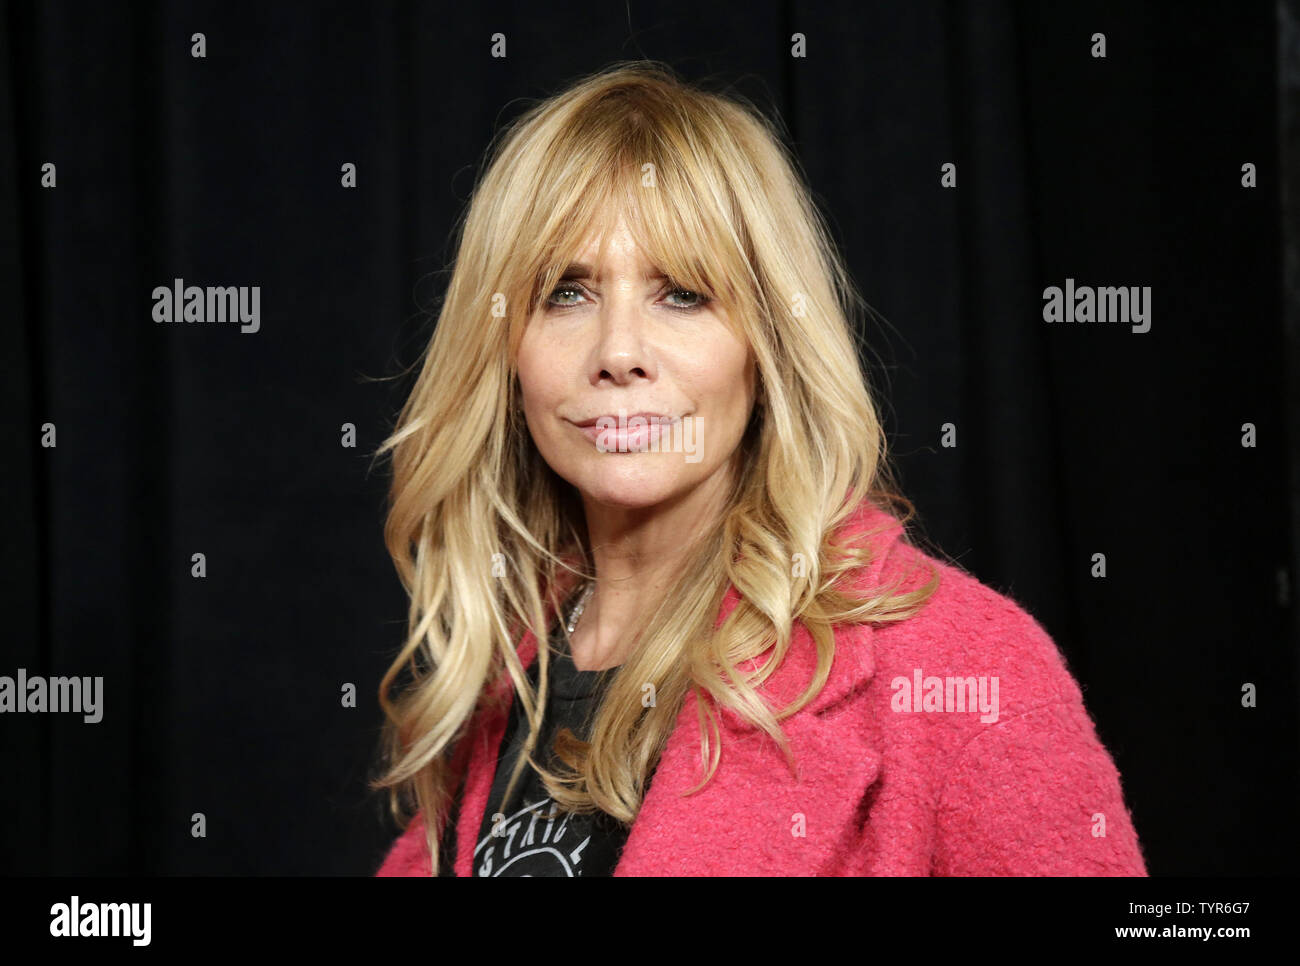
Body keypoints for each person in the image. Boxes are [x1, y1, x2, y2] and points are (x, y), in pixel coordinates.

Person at [370, 60, 1147, 877]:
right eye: (567, 292)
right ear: (503, 347)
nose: (619, 352)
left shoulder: (959, 667)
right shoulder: (503, 678)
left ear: (766, 342)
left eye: (683, 293)